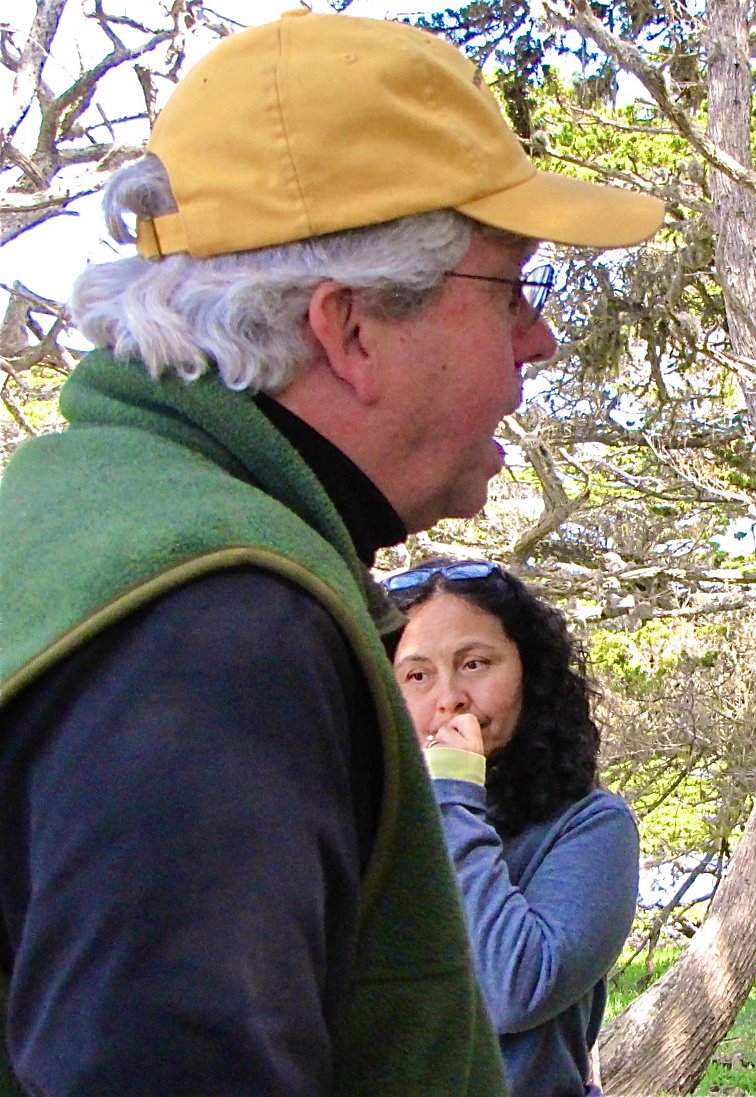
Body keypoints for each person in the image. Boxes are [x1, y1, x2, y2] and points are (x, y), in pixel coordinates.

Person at [0, 12, 662, 1096]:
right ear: (350, 328)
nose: (536, 341)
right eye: (510, 291)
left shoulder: (89, 521)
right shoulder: (215, 626)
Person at [384, 559, 639, 1097]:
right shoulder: (358, 820)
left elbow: (513, 989)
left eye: (474, 664)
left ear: (530, 672)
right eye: (417, 675)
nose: (449, 696)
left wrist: (451, 796)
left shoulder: (590, 827)